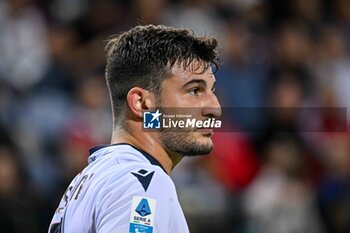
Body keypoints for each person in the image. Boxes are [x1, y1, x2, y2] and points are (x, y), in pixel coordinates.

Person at [48, 24, 221, 233]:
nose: (215, 108)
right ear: (142, 104)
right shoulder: (140, 181)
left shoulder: (89, 180)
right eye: (194, 90)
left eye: (211, 90)